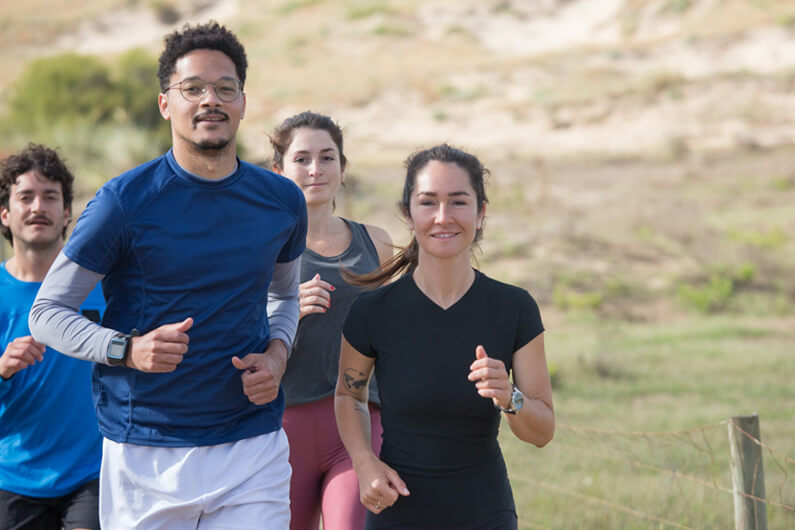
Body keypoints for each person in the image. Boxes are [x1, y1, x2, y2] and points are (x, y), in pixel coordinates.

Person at [29, 22, 307, 529]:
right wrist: (127, 350)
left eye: (226, 88)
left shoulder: (281, 200)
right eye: (193, 88)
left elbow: (285, 297)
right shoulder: (123, 203)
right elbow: (47, 314)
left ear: (243, 102)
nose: (211, 101)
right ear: (165, 104)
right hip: (145, 453)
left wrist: (278, 354)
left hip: (252, 446)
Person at [334, 144, 555, 529]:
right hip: (396, 511)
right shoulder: (373, 311)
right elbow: (348, 394)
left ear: (481, 212)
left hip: (485, 512)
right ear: (408, 213)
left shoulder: (514, 308)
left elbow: (542, 432)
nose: (442, 217)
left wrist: (509, 396)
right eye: (428, 202)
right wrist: (364, 461)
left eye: (458, 202)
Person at [269, 111, 393, 530]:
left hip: (361, 420)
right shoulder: (261, 249)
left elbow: (397, 334)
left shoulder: (376, 242)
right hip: (284, 425)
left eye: (327, 157)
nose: (315, 169)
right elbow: (233, 336)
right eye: (301, 158)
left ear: (343, 169)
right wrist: (286, 309)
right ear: (279, 170)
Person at [0, 144, 105, 530]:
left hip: (93, 474)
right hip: (13, 480)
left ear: (66, 214)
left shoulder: (102, 286)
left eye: (50, 197)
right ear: (5, 214)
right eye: (25, 197)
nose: (37, 207)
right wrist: (2, 369)